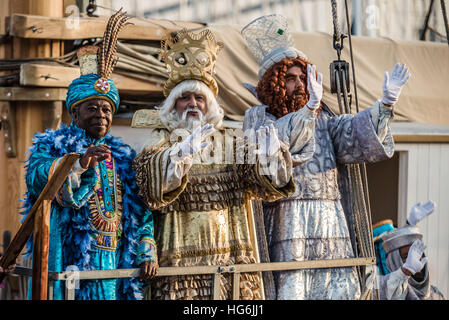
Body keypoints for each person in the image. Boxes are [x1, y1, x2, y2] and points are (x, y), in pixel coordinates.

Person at [132, 28, 315, 300]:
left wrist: (269, 158)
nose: (192, 104)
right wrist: (179, 155)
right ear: (173, 105)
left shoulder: (232, 141)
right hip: (182, 271)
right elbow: (150, 190)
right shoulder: (159, 143)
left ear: (210, 105)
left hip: (231, 267)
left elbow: (265, 187)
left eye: (199, 97)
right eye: (185, 97)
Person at [241, 14, 410, 300]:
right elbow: (282, 140)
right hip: (286, 223)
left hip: (330, 223)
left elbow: (353, 135)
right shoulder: (259, 120)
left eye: (303, 77)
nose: (300, 84)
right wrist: (308, 110)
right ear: (274, 85)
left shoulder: (324, 119)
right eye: (291, 79)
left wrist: (385, 105)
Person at [20, 10, 157, 300]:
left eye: (106, 109)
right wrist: (79, 163)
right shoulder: (53, 145)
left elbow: (142, 210)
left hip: (115, 262)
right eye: (92, 108)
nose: (101, 115)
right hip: (70, 259)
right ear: (75, 112)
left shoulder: (122, 155)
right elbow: (37, 178)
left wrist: (146, 250)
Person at [373, 201, 445, 300]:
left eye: (417, 253)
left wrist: (409, 226)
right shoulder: (379, 292)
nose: (415, 260)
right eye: (406, 256)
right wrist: (405, 272)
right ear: (394, 262)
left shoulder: (437, 296)